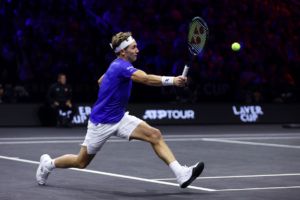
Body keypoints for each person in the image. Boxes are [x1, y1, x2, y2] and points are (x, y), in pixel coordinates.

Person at [36, 32, 204, 188]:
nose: (138, 50)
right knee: (81, 162)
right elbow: (145, 79)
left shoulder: (116, 66)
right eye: (133, 47)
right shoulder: (121, 67)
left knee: (155, 135)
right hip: (101, 123)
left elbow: (100, 81)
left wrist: (111, 85)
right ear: (123, 52)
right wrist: (173, 80)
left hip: (119, 118)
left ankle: (181, 174)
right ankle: (48, 164)